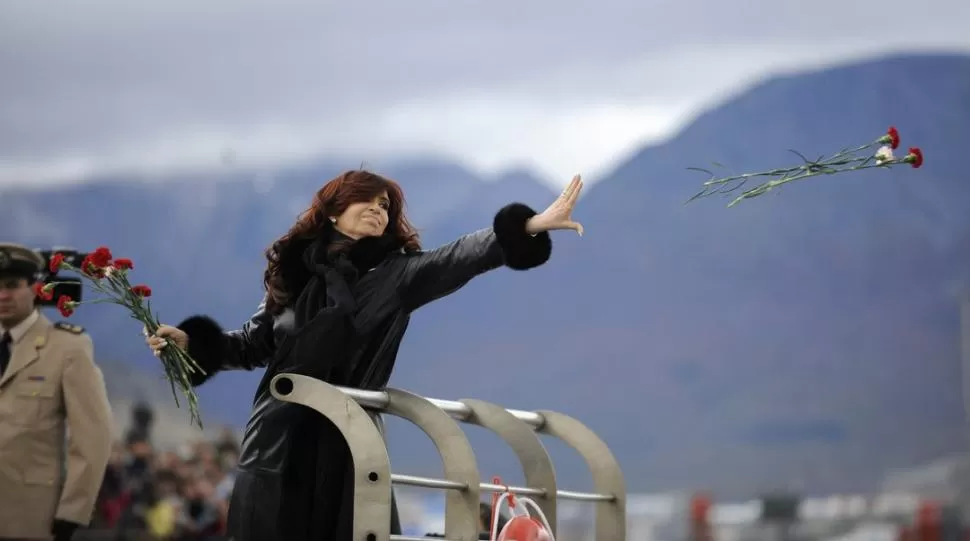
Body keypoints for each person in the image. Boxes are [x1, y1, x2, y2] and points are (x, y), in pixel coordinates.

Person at [145, 170, 584, 541]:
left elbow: (460, 257)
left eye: (386, 204)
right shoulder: (293, 276)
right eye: (368, 200)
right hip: (274, 444)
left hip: (349, 446)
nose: (380, 209)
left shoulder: (400, 275)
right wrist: (191, 344)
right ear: (334, 210)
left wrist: (527, 228)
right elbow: (252, 344)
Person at [0, 242, 114, 541]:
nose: (2, 295)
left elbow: (93, 436)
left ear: (36, 288)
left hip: (31, 519)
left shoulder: (67, 348)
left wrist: (71, 512)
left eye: (12, 285)